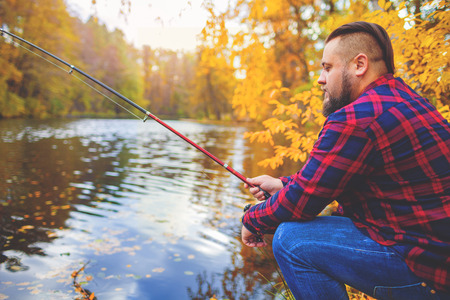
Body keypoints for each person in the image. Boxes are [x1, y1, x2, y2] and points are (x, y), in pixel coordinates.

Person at [241, 21, 450, 300]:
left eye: (327, 67)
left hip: (426, 273)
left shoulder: (356, 118)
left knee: (291, 240)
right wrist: (283, 183)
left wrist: (252, 219)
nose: (320, 79)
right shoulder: (410, 101)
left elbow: (303, 200)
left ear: (359, 65)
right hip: (435, 255)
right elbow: (323, 180)